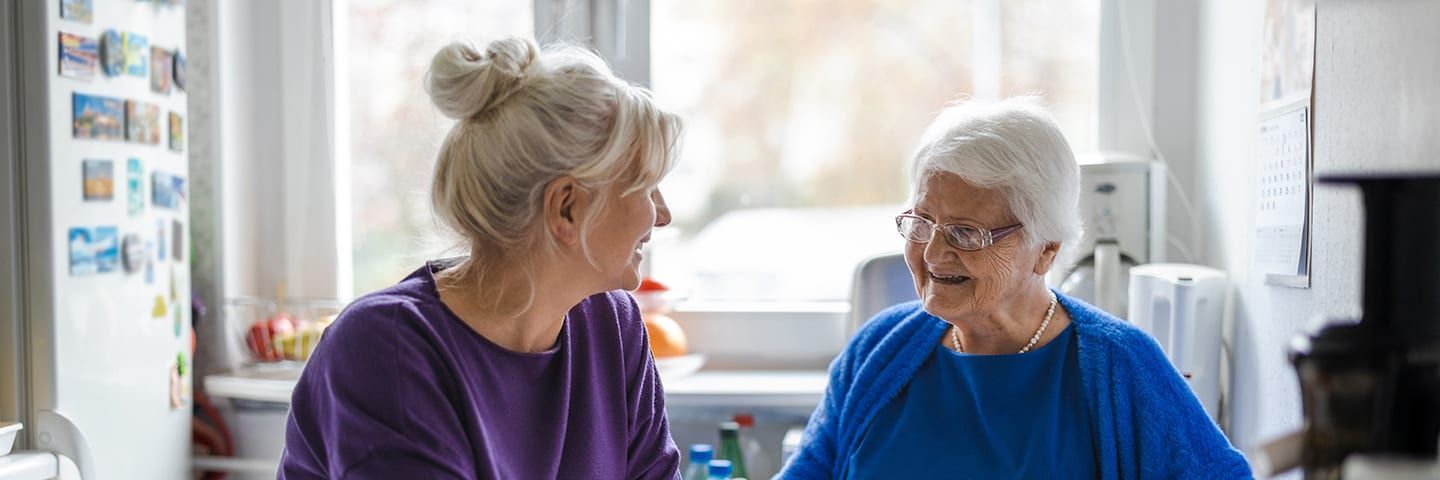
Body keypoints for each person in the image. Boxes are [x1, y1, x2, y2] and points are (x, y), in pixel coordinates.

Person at [779, 97, 1250, 479]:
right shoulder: (877, 350)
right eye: (922, 223)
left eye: (965, 233)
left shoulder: (1121, 366)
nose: (932, 253)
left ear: (1045, 249)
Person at [279, 36, 684, 479]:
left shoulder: (612, 326)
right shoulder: (385, 349)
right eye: (646, 187)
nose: (661, 215)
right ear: (566, 208)